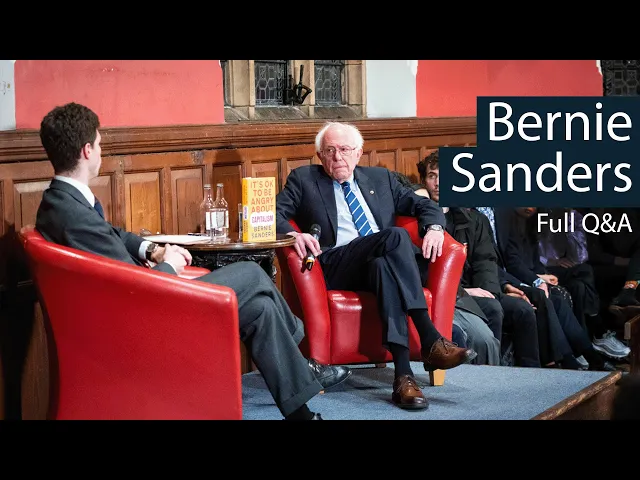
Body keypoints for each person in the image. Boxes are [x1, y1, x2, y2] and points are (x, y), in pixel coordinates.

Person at [36, 102, 352, 421]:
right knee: (252, 273)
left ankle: (301, 415)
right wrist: (170, 265)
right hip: (143, 316)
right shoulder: (73, 215)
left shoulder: (62, 202)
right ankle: (305, 361)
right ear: (87, 150)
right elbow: (131, 285)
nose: (102, 152)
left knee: (261, 308)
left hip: (141, 303)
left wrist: (152, 249)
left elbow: (113, 235)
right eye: (100, 144)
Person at [276, 121, 477, 411]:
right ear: (320, 155)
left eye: (344, 149)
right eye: (329, 150)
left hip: (377, 263)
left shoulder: (381, 179)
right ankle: (430, 337)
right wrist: (294, 234)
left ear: (358, 153)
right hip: (336, 265)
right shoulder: (304, 179)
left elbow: (424, 205)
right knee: (394, 237)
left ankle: (404, 377)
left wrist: (434, 227)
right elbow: (273, 214)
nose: (337, 157)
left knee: (384, 265)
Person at [419, 153, 540, 367]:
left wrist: (491, 291)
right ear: (423, 181)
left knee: (522, 309)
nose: (438, 183)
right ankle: (491, 369)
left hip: (479, 290)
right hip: (454, 294)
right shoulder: (421, 219)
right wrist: (468, 292)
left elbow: (486, 261)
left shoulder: (474, 219)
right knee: (492, 309)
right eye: (432, 176)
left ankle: (531, 372)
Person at [392, 171, 497, 363]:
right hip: (423, 294)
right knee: (457, 333)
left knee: (486, 335)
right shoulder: (397, 225)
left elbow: (485, 261)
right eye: (432, 176)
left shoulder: (439, 222)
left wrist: (434, 228)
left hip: (451, 294)